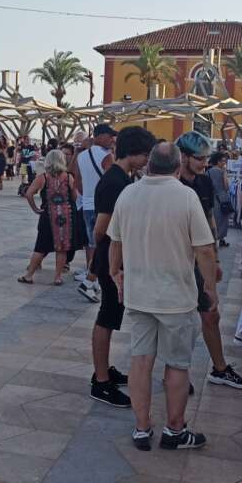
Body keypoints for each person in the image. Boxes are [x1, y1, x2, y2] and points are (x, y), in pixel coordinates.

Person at [109, 143, 215, 451]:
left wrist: (115, 272)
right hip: (176, 298)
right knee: (177, 365)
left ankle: (142, 428)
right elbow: (204, 249)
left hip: (139, 295)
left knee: (140, 361)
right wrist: (210, 287)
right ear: (178, 167)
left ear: (149, 165)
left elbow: (115, 241)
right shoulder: (186, 196)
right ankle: (175, 430)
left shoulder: (128, 194)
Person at [175, 133, 242, 391]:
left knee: (210, 314)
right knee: (178, 321)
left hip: (200, 260)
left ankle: (219, 368)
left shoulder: (205, 182)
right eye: (199, 158)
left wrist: (214, 258)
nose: (204, 163)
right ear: (183, 156)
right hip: (176, 261)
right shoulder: (171, 185)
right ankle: (176, 373)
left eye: (206, 158)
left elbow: (208, 219)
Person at [89, 126, 157, 408]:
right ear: (133, 153)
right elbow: (100, 229)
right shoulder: (114, 183)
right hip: (110, 258)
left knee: (111, 315)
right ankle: (101, 381)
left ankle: (104, 370)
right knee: (107, 316)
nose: (147, 160)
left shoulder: (123, 179)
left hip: (115, 257)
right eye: (145, 155)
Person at [18, 149, 80, 286]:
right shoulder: (68, 177)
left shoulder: (43, 178)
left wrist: (35, 209)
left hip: (48, 216)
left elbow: (29, 194)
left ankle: (29, 275)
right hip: (65, 217)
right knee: (62, 248)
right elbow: (75, 196)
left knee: (41, 247)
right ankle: (57, 277)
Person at [74, 124, 116, 303]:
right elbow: (110, 181)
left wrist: (87, 195)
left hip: (87, 204)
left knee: (93, 243)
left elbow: (77, 180)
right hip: (102, 206)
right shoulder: (107, 156)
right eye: (109, 136)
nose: (112, 139)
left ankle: (92, 277)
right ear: (99, 136)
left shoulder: (82, 156)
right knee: (103, 244)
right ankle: (91, 281)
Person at [206, 151, 232, 248]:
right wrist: (225, 173)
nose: (224, 163)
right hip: (222, 199)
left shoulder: (208, 172)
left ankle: (213, 239)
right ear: (218, 161)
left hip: (212, 198)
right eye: (223, 161)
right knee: (223, 220)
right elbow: (226, 187)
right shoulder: (222, 172)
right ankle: (221, 239)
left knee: (214, 220)